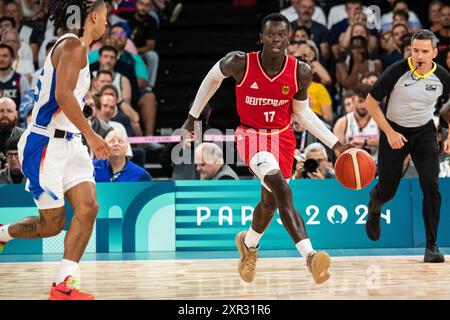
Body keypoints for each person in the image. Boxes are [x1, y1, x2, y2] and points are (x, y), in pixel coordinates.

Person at [181, 13, 352, 284]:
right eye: (270, 34)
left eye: (281, 34)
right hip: (251, 136)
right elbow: (211, 79)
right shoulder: (239, 63)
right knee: (282, 189)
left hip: (283, 138)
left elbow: (303, 115)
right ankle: (310, 257)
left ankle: (248, 245)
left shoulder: (300, 72)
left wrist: (336, 144)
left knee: (269, 201)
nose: (276, 39)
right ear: (261, 37)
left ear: (289, 37)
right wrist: (193, 116)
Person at [0, 0, 110, 300]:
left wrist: (83, 121)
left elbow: (64, 96)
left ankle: (64, 284)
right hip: (45, 144)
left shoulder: (78, 49)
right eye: (106, 17)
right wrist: (93, 136)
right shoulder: (73, 46)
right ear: (94, 17)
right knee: (52, 226)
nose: (107, 24)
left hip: (70, 142)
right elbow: (62, 96)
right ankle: (2, 234)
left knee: (88, 208)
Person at [363, 30, 450, 263]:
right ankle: (376, 203)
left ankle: (432, 246)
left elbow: (448, 108)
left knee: (431, 184)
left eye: (424, 51)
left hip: (424, 132)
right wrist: (389, 132)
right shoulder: (397, 71)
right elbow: (370, 103)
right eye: (415, 50)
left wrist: (448, 132)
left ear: (434, 52)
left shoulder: (442, 76)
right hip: (394, 130)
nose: (419, 56)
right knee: (389, 189)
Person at [333, 84, 379, 158]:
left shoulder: (378, 119)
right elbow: (337, 151)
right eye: (360, 101)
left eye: (366, 101)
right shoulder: (342, 122)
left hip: (375, 165)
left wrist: (365, 142)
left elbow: (387, 143)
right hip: (351, 165)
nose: (363, 106)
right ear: (353, 99)